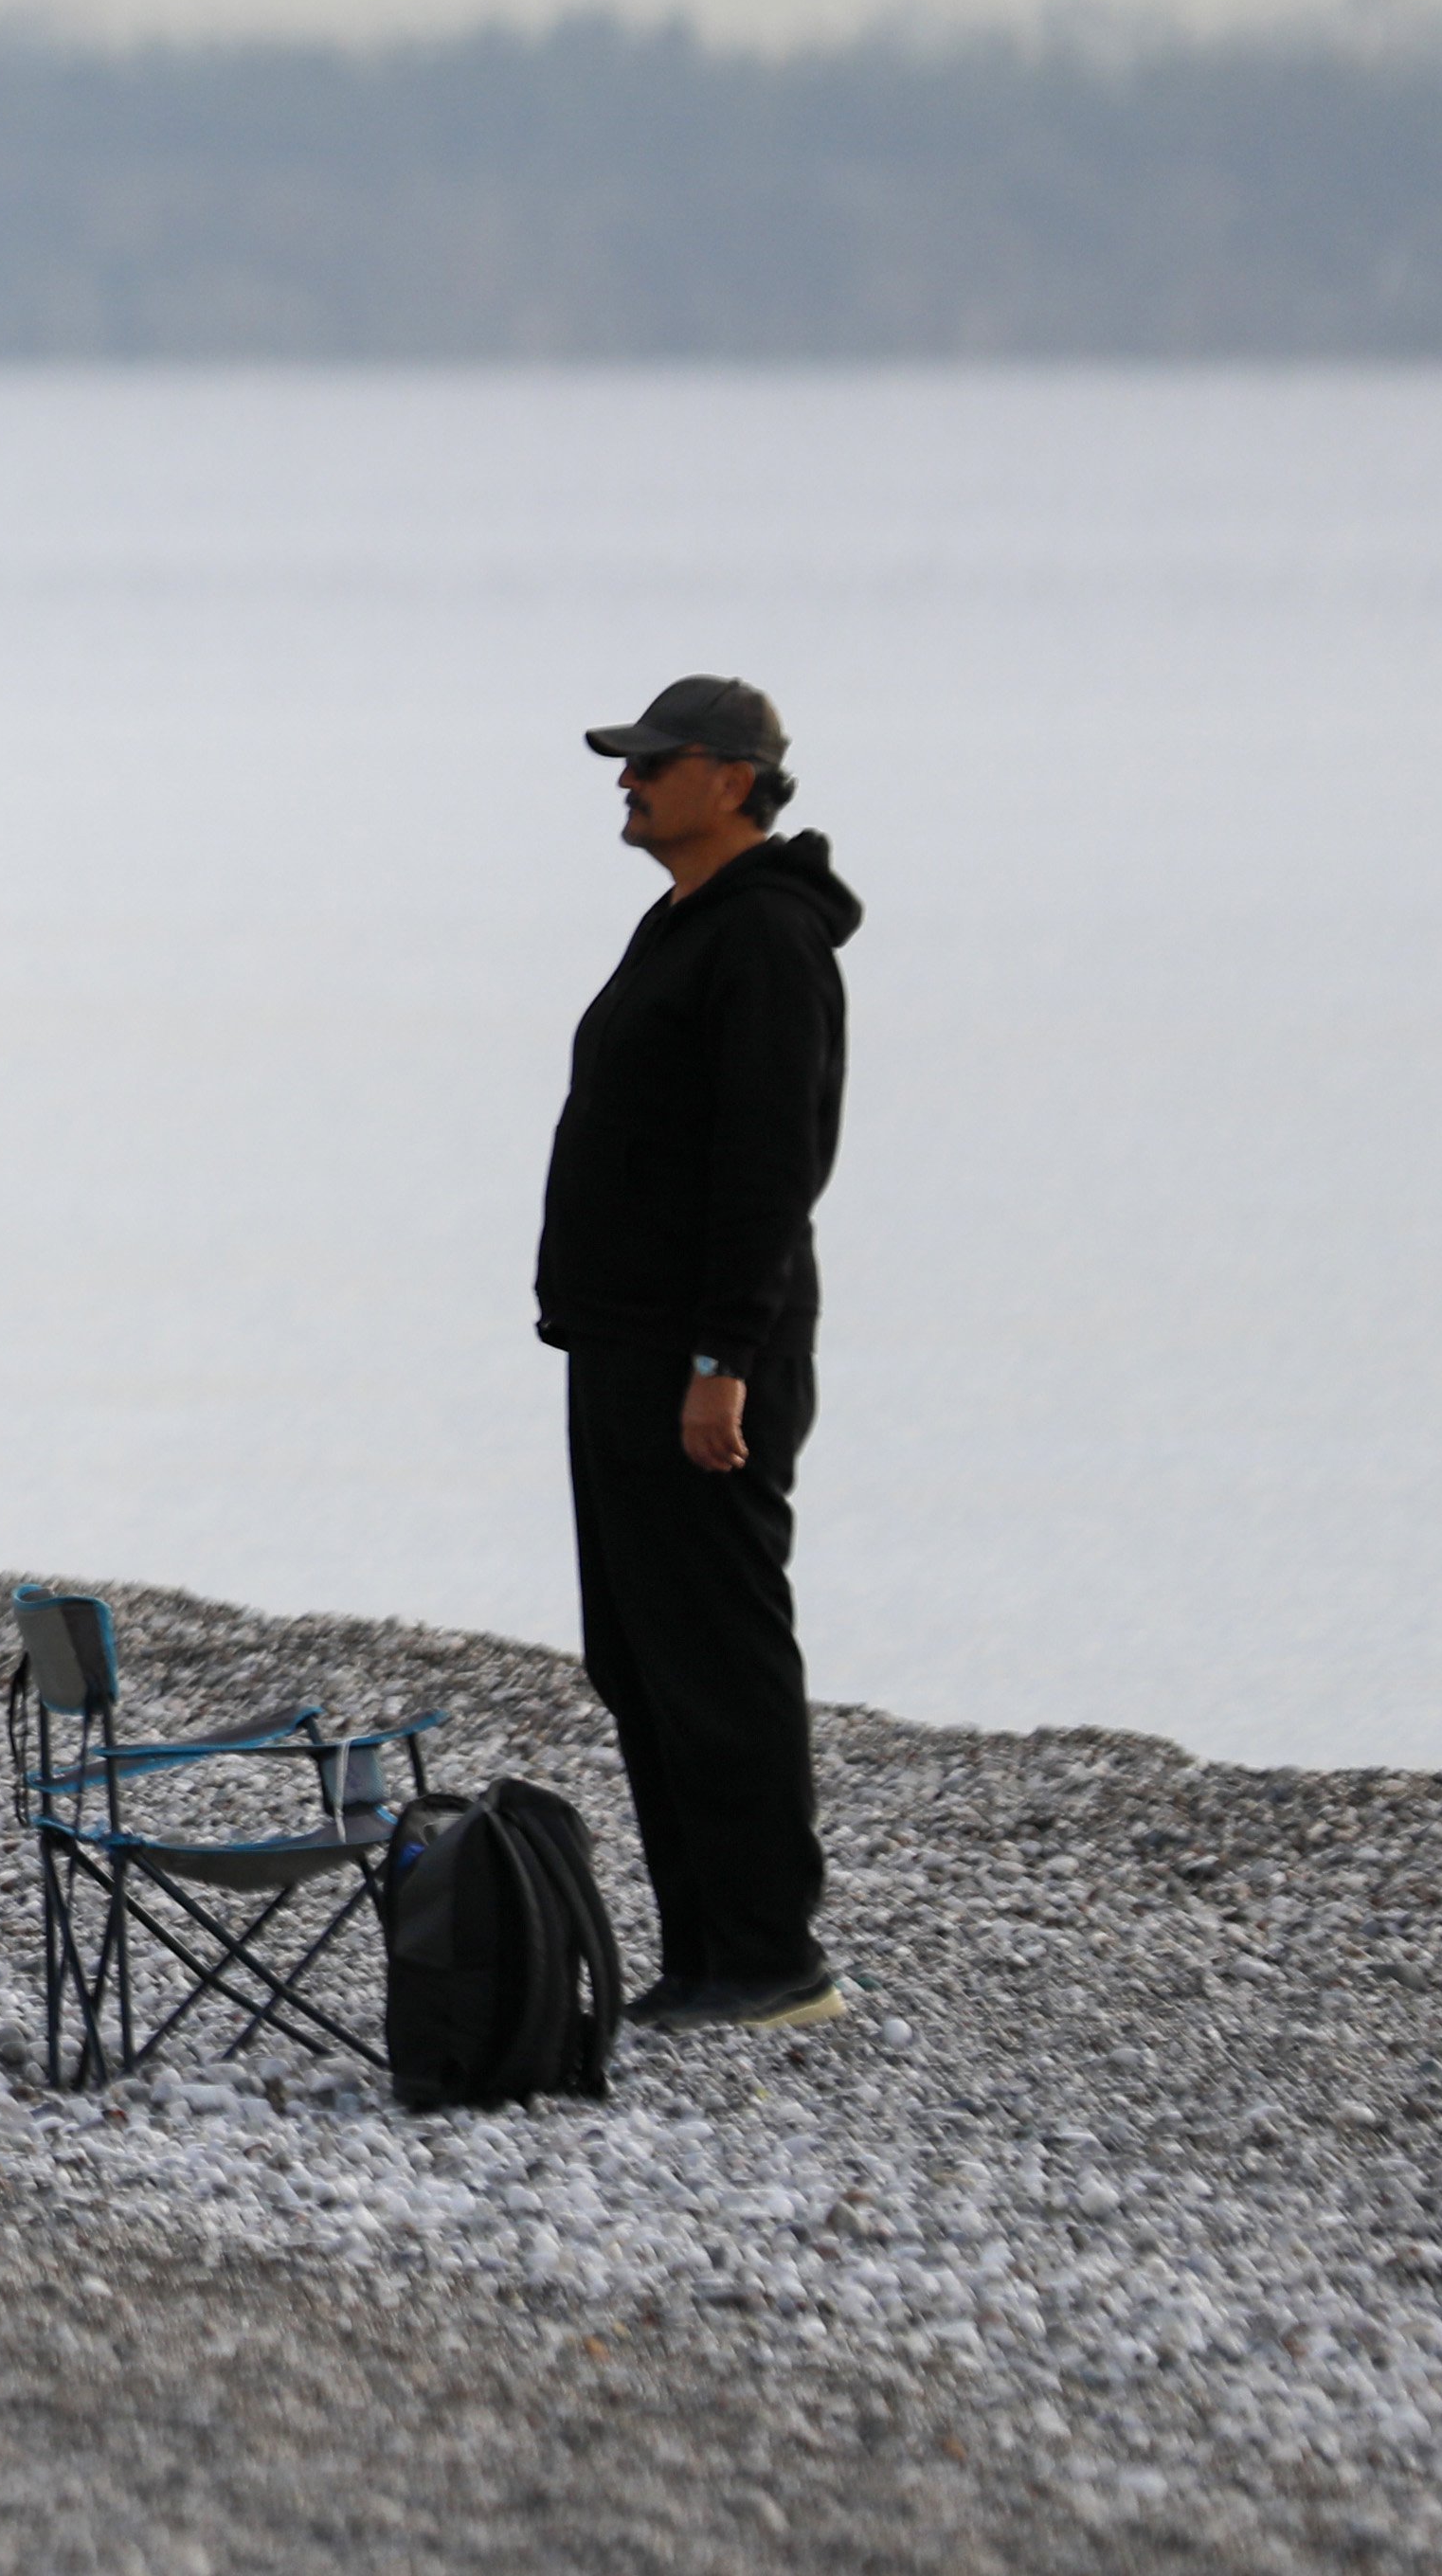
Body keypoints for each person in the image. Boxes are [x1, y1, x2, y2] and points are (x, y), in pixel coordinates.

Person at [535, 674, 861, 2035]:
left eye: (653, 763)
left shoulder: (770, 940)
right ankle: (705, 1952)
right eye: (626, 762)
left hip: (703, 1356)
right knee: (640, 1651)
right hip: (624, 1343)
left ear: (733, 778)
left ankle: (772, 1956)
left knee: (718, 1649)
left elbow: (774, 1164)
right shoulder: (682, 922)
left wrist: (724, 1356)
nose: (628, 781)